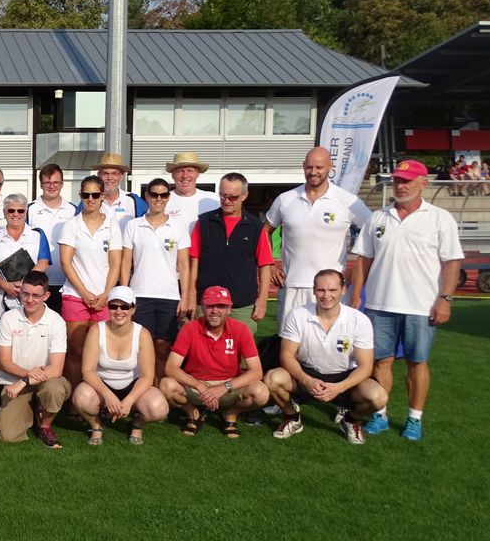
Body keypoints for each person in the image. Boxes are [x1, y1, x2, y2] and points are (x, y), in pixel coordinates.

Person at [351, 159, 462, 441]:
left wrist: (445, 298)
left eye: (407, 181)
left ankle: (414, 419)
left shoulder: (439, 218)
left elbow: (451, 263)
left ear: (423, 183)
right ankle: (380, 414)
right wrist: (355, 296)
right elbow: (363, 260)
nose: (401, 186)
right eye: (398, 181)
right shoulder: (378, 218)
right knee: (380, 362)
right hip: (379, 304)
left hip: (420, 306)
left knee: (417, 361)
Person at [266, 269, 388, 444]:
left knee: (379, 397)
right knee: (272, 378)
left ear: (343, 290)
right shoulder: (297, 315)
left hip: (344, 377)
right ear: (314, 291)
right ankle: (292, 418)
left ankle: (351, 421)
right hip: (307, 373)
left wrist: (339, 387)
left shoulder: (359, 320)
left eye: (332, 290)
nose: (326, 295)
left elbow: (365, 366)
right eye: (321, 290)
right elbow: (286, 355)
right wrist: (307, 380)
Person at [264, 146, 372, 324]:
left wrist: (354, 271)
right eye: (309, 167)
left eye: (319, 167)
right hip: (292, 286)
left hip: (329, 290)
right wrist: (270, 264)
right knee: (290, 346)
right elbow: (265, 231)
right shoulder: (286, 199)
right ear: (303, 166)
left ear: (330, 167)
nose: (313, 172)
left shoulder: (347, 201)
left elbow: (372, 232)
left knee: (328, 344)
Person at [159, 286, 269, 438]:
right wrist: (200, 387)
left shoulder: (241, 329)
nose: (215, 310)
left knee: (261, 393)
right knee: (166, 385)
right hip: (197, 385)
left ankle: (230, 414)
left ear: (229, 309)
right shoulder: (190, 328)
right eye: (210, 306)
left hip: (229, 385)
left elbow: (256, 372)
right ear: (202, 307)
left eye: (221, 306)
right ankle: (193, 413)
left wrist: (223, 388)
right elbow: (171, 367)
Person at [72, 286, 169, 445]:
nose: (119, 311)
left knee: (159, 409)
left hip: (132, 386)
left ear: (133, 309)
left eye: (124, 306)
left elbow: (147, 376)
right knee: (81, 397)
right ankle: (96, 425)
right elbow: (88, 371)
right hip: (102, 385)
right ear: (107, 307)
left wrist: (129, 401)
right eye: (113, 306)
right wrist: (108, 396)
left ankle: (137, 423)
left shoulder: (142, 334)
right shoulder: (97, 330)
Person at [120, 177, 191, 376]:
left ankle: (160, 392)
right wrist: (125, 294)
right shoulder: (133, 225)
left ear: (168, 198)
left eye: (163, 195)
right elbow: (126, 263)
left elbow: (184, 265)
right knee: (142, 347)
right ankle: (144, 392)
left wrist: (184, 297)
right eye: (154, 194)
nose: (158, 199)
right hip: (140, 294)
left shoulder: (178, 227)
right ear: (147, 196)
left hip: (168, 296)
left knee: (163, 347)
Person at [187, 172, 273, 333]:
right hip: (206, 302)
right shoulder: (205, 222)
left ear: (244, 195)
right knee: (204, 352)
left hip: (241, 305)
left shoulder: (255, 227)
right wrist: (191, 294)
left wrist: (262, 299)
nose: (226, 201)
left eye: (232, 197)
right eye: (222, 196)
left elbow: (264, 264)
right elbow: (194, 259)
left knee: (242, 354)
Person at [58, 174, 122, 387]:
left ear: (103, 196)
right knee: (75, 350)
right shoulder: (71, 225)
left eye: (95, 194)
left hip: (103, 297)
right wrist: (84, 293)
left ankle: (99, 398)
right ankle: (74, 401)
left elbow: (115, 263)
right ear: (80, 196)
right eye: (86, 195)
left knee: (101, 353)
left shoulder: (112, 225)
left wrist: (106, 294)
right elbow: (66, 263)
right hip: (76, 296)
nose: (91, 199)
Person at [0, 270, 71, 447]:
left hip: (43, 380)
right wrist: (26, 377)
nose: (29, 300)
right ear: (20, 292)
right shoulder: (8, 318)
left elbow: (57, 368)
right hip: (14, 381)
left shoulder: (56, 321)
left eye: (36, 295)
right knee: (8, 435)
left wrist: (25, 380)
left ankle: (45, 426)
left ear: (46, 295)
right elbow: (4, 362)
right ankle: (33, 410)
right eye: (25, 294)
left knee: (55, 388)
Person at [0, 193, 52, 333]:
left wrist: (25, 284)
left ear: (26, 213)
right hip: (1, 303)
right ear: (4, 213)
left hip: (32, 301)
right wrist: (5, 285)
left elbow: (44, 262)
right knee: (0, 347)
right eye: (11, 210)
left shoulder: (37, 234)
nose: (15, 214)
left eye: (20, 210)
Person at [28, 163, 77, 304]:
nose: (52, 186)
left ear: (62, 184)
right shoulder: (29, 210)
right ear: (41, 185)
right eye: (47, 183)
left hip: (67, 282)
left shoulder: (73, 210)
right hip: (37, 284)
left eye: (56, 182)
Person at [91, 153, 147, 232]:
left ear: (121, 176)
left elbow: (147, 226)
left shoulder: (134, 201)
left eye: (114, 173)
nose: (109, 178)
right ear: (99, 175)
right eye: (105, 173)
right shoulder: (89, 199)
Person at [164, 152, 219, 232]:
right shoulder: (162, 201)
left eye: (190, 171)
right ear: (173, 175)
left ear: (198, 174)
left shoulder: (213, 199)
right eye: (180, 171)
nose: (185, 176)